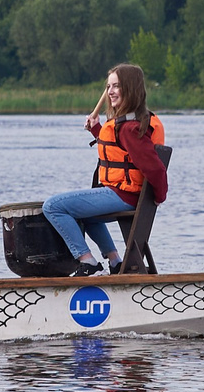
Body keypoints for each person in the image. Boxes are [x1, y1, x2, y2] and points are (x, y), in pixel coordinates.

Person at [43, 62, 166, 272]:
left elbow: (154, 168)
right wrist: (97, 129)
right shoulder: (131, 123)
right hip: (123, 193)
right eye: (108, 87)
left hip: (125, 196)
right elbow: (120, 150)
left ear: (131, 88)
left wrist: (158, 197)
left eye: (116, 86)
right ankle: (115, 261)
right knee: (83, 211)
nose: (110, 92)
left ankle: (86, 260)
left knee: (53, 207)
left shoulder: (129, 127)